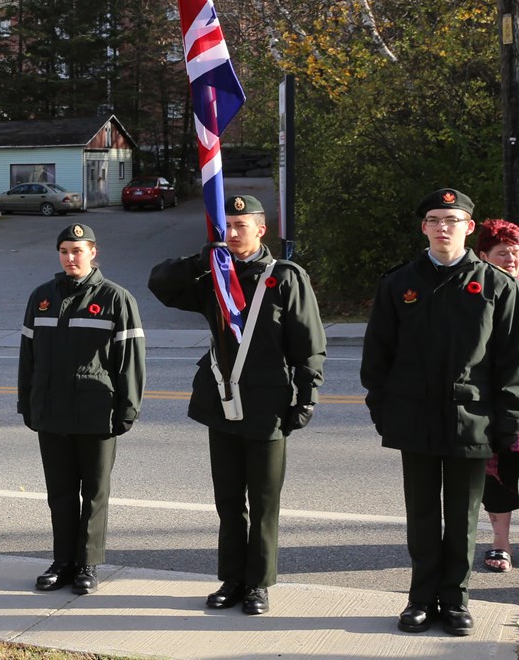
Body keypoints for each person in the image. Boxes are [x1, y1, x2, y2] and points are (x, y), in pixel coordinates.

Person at [149, 195, 325, 616]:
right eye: (224, 226)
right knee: (228, 501)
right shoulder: (214, 275)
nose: (230, 233)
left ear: (261, 229)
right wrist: (199, 260)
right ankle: (231, 579)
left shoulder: (285, 277)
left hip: (268, 405)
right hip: (222, 402)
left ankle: (258, 584)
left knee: (263, 502)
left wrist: (307, 396)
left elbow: (309, 343)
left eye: (239, 225)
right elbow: (160, 284)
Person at [362, 189, 519, 636]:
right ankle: (420, 599)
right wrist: (383, 411)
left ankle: (455, 601)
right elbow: (378, 357)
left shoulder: (496, 285)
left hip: (474, 421)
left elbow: (512, 364)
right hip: (415, 419)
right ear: (424, 227)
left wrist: (508, 423)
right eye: (434, 219)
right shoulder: (399, 283)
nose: (442, 227)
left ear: (469, 227)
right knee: (423, 514)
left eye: (452, 219)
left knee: (464, 516)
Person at [18, 223, 145, 594]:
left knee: (93, 492)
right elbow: (28, 356)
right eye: (64, 251)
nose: (70, 258)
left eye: (77, 250)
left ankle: (87, 563)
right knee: (59, 492)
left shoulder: (116, 299)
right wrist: (27, 401)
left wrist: (128, 407)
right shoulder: (41, 297)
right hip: (51, 411)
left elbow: (131, 359)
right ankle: (62, 561)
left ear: (93, 252)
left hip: (96, 411)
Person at [476, 219, 519, 573]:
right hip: (494, 398)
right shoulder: (477, 293)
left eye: (516, 254)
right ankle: (500, 542)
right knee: (498, 470)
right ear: (483, 256)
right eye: (503, 253)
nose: (511, 260)